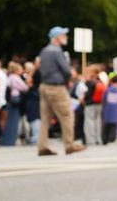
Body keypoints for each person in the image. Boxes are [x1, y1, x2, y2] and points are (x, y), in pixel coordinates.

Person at [36, 27, 84, 155]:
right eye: (64, 35)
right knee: (67, 115)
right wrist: (69, 77)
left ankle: (42, 146)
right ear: (57, 37)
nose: (66, 37)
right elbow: (66, 70)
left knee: (45, 118)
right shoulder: (57, 51)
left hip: (44, 86)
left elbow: (40, 67)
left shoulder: (44, 51)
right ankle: (69, 145)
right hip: (56, 87)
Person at [2, 62, 27, 146]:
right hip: (15, 99)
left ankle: (7, 140)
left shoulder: (9, 77)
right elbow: (24, 87)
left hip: (10, 100)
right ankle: (11, 140)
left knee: (9, 120)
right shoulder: (16, 78)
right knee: (14, 120)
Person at [81, 63, 104, 146]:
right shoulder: (100, 80)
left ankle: (91, 140)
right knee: (98, 122)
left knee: (89, 122)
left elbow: (87, 93)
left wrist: (83, 99)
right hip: (99, 103)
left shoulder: (90, 81)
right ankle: (98, 139)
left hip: (90, 103)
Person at [101, 74, 117, 144]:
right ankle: (112, 137)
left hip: (108, 109)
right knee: (114, 125)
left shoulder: (108, 89)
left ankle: (105, 139)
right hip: (116, 109)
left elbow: (103, 98)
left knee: (106, 125)